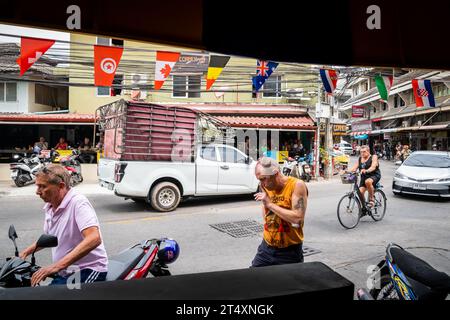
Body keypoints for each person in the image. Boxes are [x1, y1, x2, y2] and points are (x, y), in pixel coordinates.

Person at [19, 164, 108, 286]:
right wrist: (25, 253)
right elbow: (50, 237)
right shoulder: (51, 206)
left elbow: (94, 238)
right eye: (37, 186)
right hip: (65, 271)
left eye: (42, 186)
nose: (37, 192)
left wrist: (56, 266)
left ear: (61, 186)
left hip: (87, 269)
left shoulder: (78, 203)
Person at [251, 157, 308, 267]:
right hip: (266, 247)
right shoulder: (265, 186)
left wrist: (270, 205)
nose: (262, 184)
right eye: (259, 180)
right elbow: (266, 211)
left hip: (289, 252)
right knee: (252, 280)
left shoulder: (296, 185)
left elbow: (298, 218)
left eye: (263, 179)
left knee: (287, 283)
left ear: (276, 174)